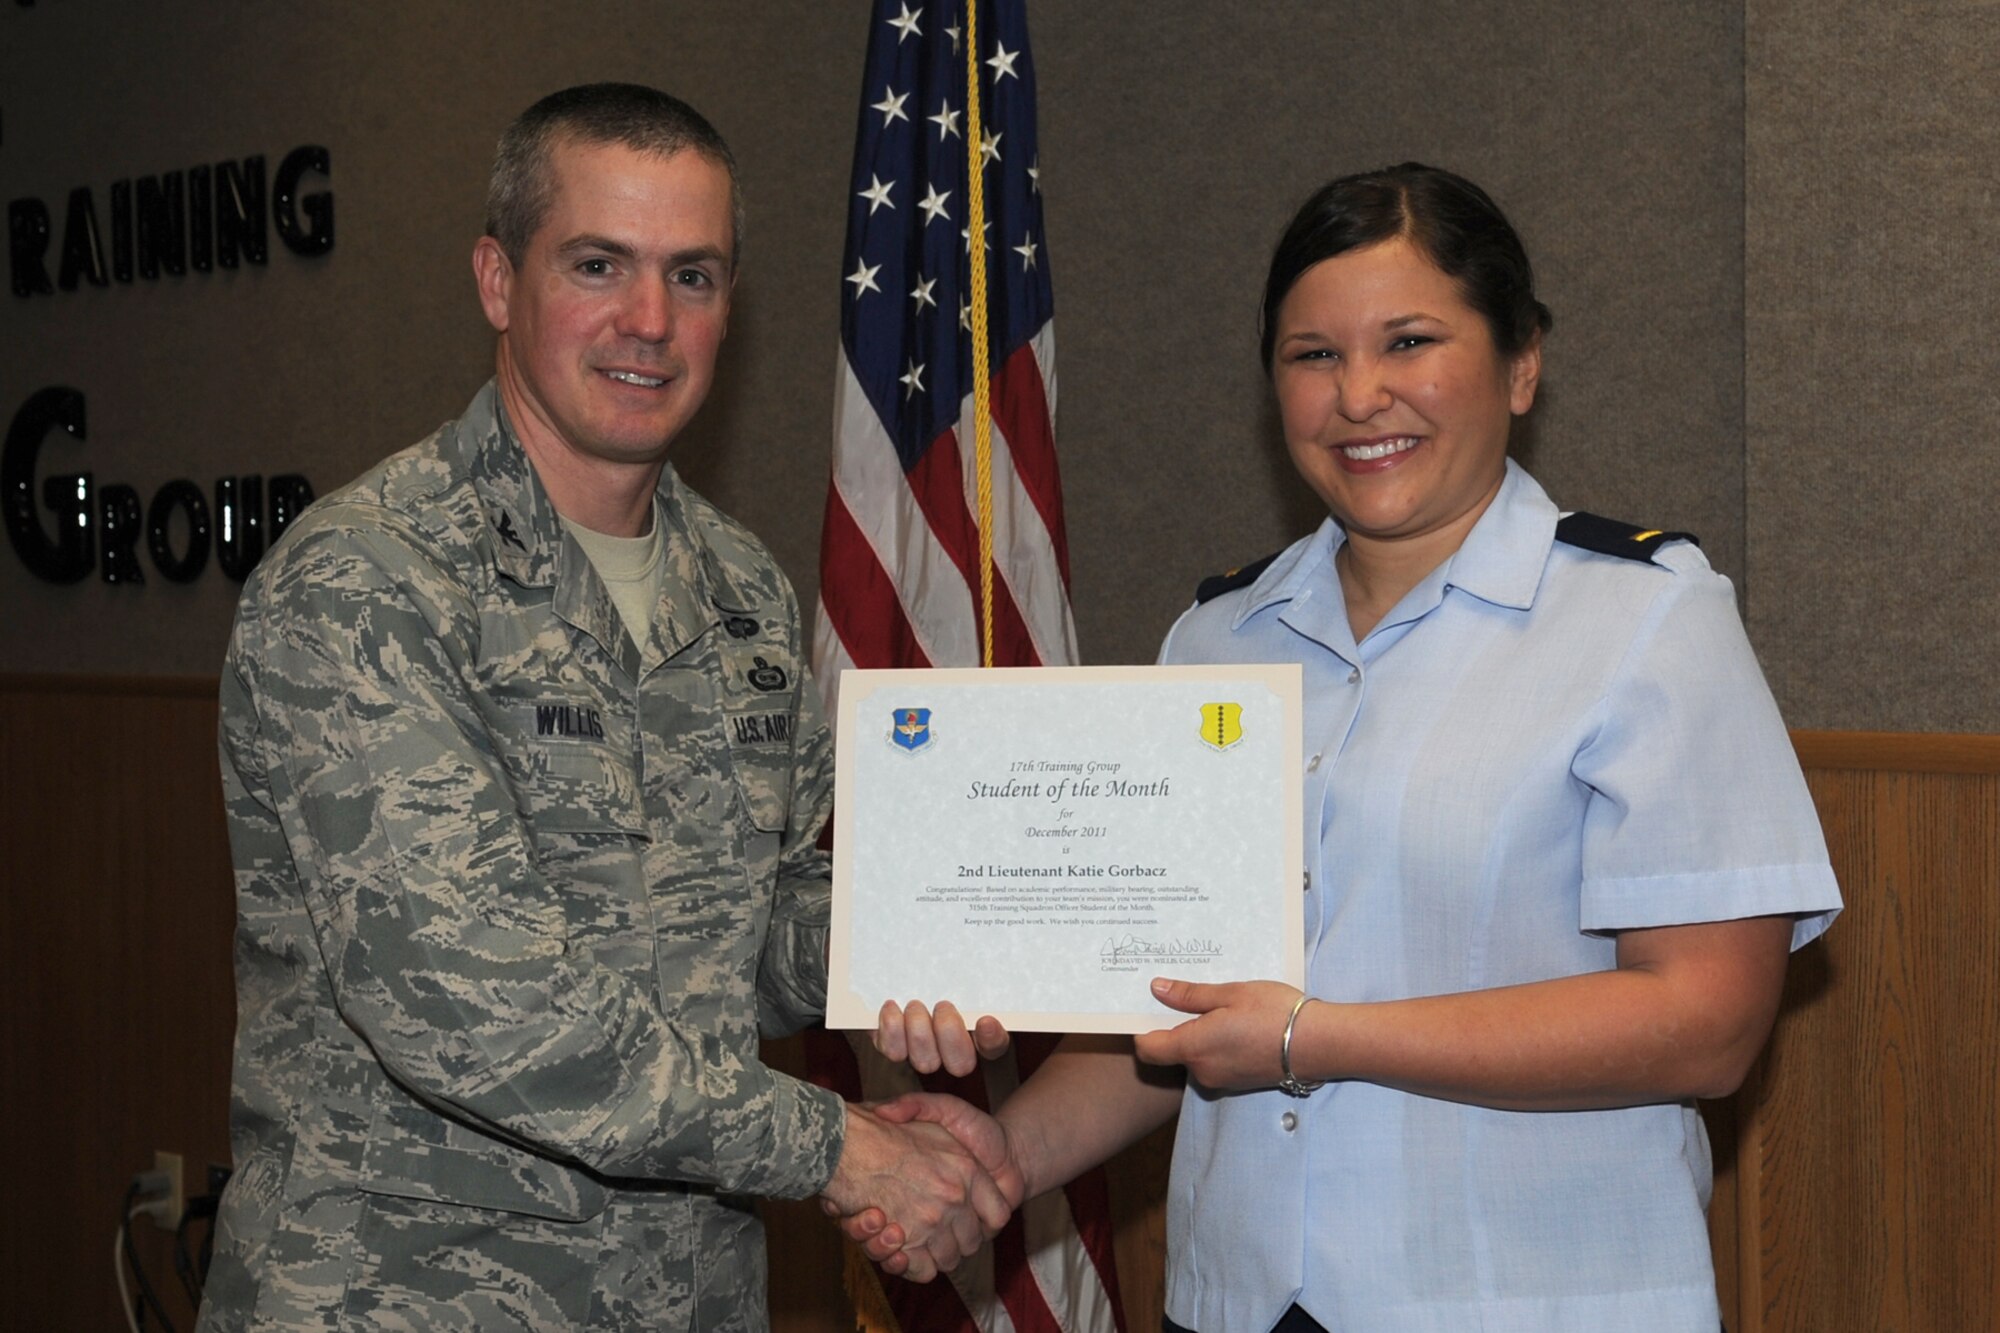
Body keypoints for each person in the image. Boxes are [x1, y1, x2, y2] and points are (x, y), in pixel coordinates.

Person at [844, 163, 1843, 1332]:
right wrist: (992, 1154)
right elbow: (1174, 1015)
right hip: (1238, 1308)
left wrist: (1310, 1035)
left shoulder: (1646, 619)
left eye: (1409, 341)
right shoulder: (1216, 636)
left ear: (1521, 361)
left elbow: (1707, 1023)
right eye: (1311, 355)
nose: (1359, 394)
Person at [200, 84, 1005, 1332]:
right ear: (495, 278)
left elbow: (745, 927)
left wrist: (952, 926)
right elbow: (478, 1007)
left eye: (693, 276)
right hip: (404, 1296)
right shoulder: (367, 582)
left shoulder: (736, 584)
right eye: (597, 265)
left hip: (684, 1293)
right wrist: (839, 1147)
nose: (648, 321)